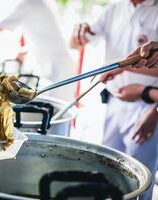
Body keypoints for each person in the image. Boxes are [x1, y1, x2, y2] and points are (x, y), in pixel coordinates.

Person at [70, 0, 158, 199]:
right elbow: (75, 43)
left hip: (148, 107)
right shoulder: (114, 8)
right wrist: (78, 30)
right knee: (108, 174)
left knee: (140, 183)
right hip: (114, 101)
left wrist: (155, 111)